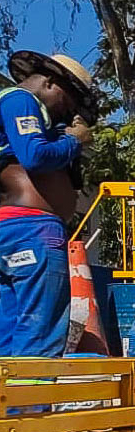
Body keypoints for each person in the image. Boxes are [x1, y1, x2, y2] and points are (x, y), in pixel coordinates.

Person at [0, 51, 96, 358]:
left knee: (11, 332)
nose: (67, 112)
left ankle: (11, 390)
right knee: (40, 334)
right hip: (32, 232)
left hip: (14, 230)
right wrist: (75, 141)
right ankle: (32, 391)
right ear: (51, 83)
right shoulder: (21, 100)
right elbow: (35, 156)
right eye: (68, 103)